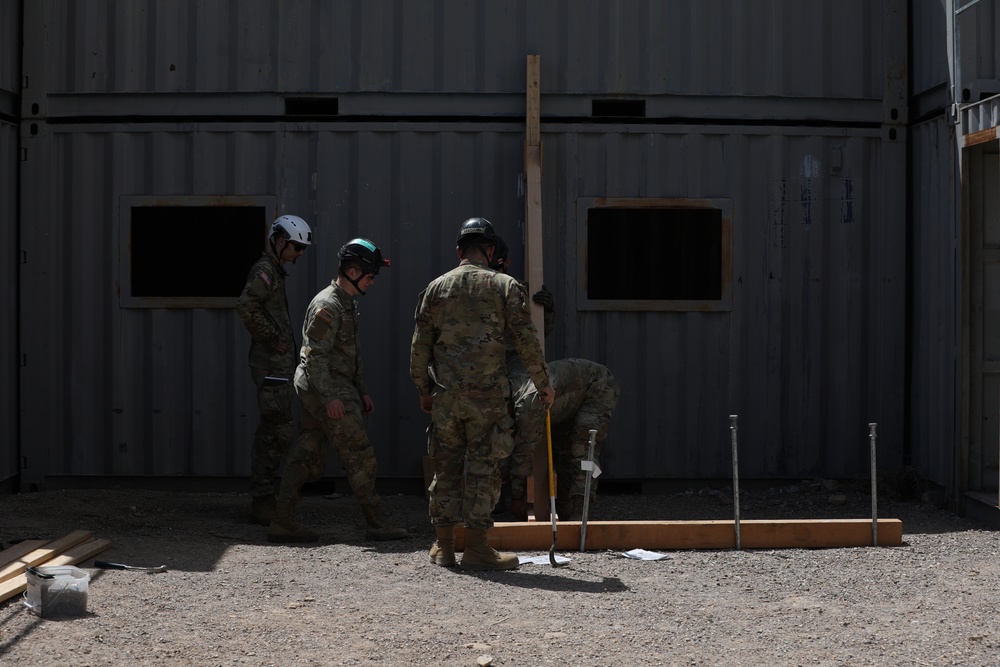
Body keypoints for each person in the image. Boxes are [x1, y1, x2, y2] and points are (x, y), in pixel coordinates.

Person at [410, 217, 554, 570]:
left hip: (446, 398)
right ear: (490, 251)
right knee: (483, 470)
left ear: (459, 250)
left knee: (445, 468)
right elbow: (526, 341)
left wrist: (423, 390)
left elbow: (418, 349)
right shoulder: (506, 286)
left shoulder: (436, 288)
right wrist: (543, 384)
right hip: (487, 401)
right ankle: (476, 548)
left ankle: (443, 547)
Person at [268, 238, 410, 543]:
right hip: (323, 387)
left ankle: (281, 521)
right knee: (360, 454)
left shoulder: (347, 304)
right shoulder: (327, 306)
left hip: (333, 385)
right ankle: (375, 522)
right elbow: (313, 355)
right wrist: (331, 397)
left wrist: (362, 390)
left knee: (308, 452)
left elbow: (350, 355)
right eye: (370, 277)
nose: (372, 283)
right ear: (354, 271)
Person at [235, 214, 313, 526]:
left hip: (278, 367)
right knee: (275, 433)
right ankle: (262, 500)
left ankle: (265, 498)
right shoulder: (265, 270)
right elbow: (246, 306)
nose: (300, 253)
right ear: (280, 241)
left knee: (277, 430)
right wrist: (274, 338)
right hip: (271, 367)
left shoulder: (275, 271)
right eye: (296, 246)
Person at [488, 235, 555, 520]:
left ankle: (516, 495)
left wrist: (546, 310)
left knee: (523, 416)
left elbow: (537, 335)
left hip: (517, 365)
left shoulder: (517, 290)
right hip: (487, 367)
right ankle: (495, 501)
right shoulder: (476, 288)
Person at [510, 358, 620, 520]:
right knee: (561, 453)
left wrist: (516, 497)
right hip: (566, 401)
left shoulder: (527, 406)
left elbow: (523, 453)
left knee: (583, 451)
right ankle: (565, 509)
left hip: (597, 387)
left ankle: (580, 514)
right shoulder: (510, 390)